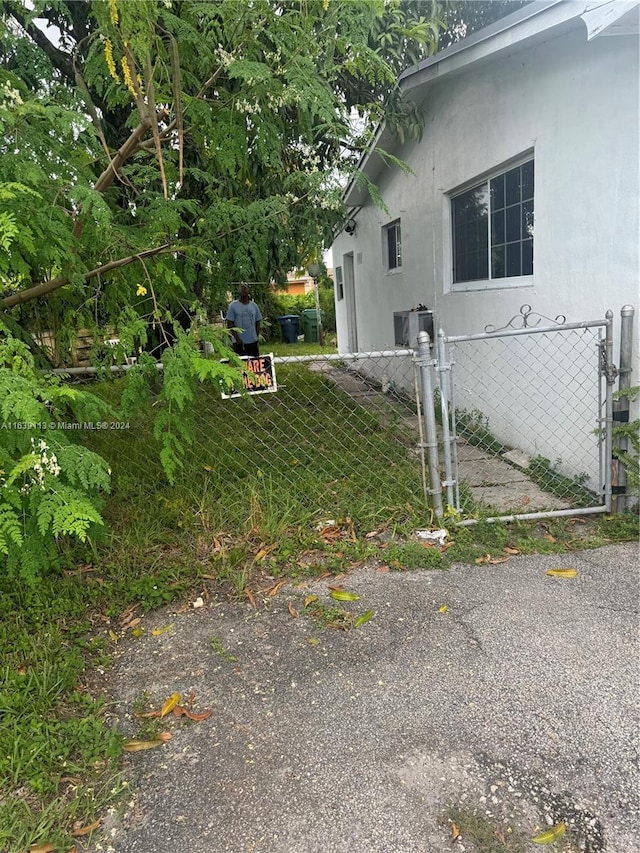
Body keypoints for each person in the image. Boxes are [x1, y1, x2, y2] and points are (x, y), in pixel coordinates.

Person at [226, 284, 262, 357]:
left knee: (254, 362)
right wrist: (237, 339)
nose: (243, 291)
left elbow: (257, 321)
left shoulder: (254, 306)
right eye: (241, 289)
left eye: (245, 289)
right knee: (241, 364)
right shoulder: (233, 306)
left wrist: (256, 336)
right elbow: (230, 324)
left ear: (248, 292)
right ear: (238, 292)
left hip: (252, 341)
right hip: (239, 342)